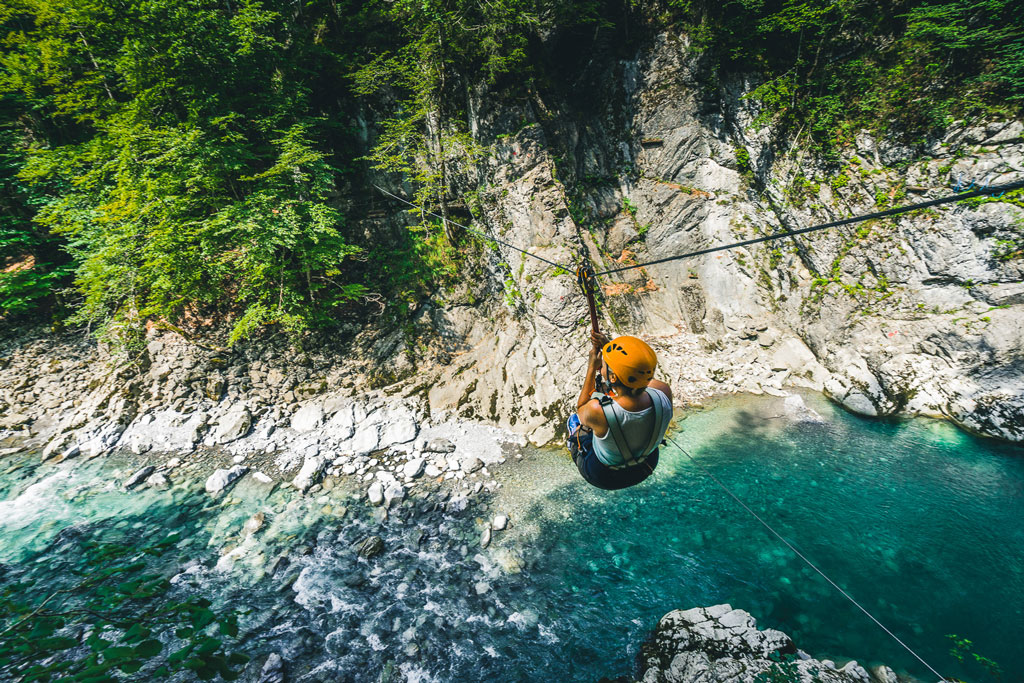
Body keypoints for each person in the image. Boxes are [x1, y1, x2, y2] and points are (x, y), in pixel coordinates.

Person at [566, 331, 673, 490]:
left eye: (604, 364)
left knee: (577, 423)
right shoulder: (663, 391)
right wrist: (609, 348)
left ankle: (574, 440)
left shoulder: (598, 411)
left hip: (604, 476)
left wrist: (591, 367)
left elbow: (581, 408)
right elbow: (637, 374)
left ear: (613, 377)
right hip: (646, 465)